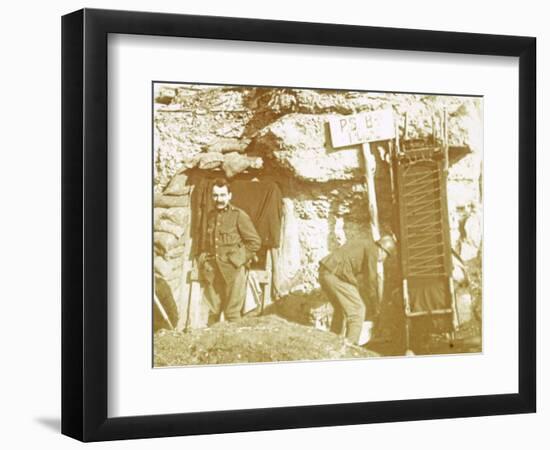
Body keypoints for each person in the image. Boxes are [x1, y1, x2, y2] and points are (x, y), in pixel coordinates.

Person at [198, 178, 261, 325]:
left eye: (222, 195)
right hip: (214, 271)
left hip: (234, 272)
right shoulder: (210, 216)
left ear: (229, 196)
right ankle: (211, 346)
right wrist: (204, 261)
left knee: (232, 313)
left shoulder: (239, 215)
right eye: (215, 195)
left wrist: (236, 260)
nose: (218, 199)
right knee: (213, 312)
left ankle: (234, 347)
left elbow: (255, 242)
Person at [318, 234, 396, 345]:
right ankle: (351, 346)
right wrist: (376, 307)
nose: (383, 260)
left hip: (326, 272)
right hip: (334, 274)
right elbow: (371, 281)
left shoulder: (365, 243)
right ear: (383, 250)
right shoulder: (373, 250)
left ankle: (333, 343)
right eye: (386, 257)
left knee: (341, 310)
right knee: (358, 309)